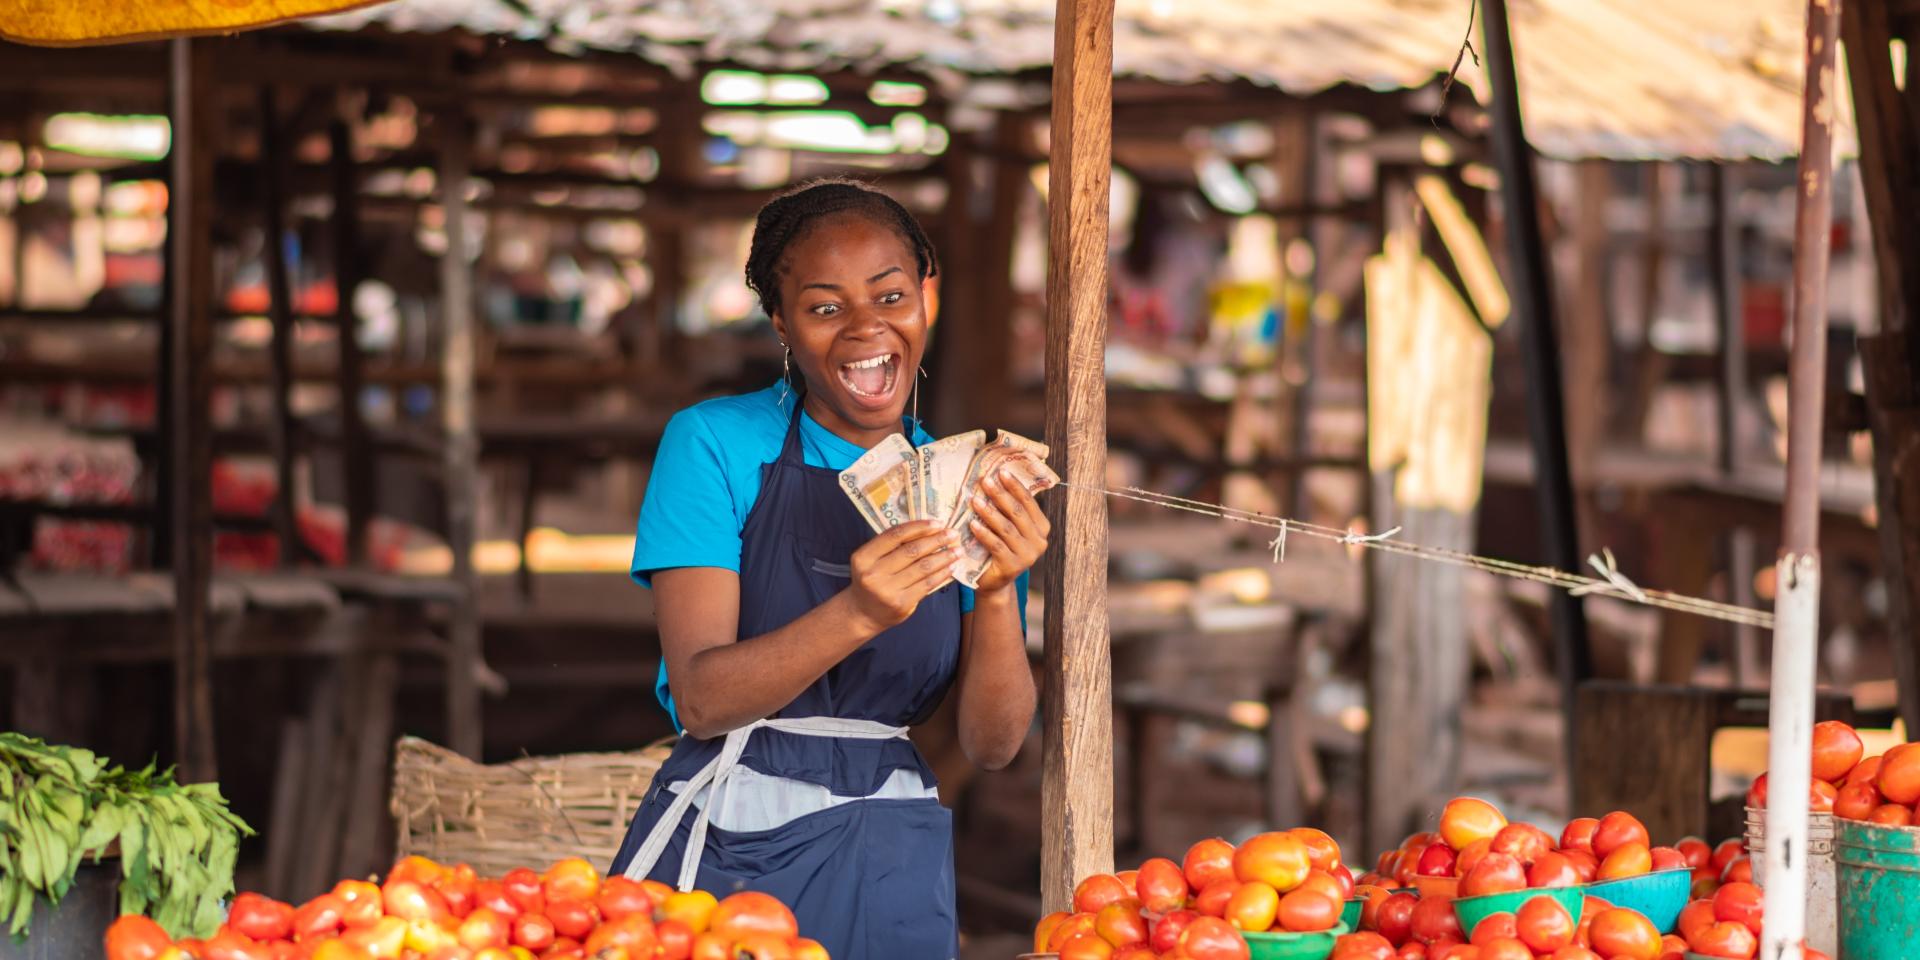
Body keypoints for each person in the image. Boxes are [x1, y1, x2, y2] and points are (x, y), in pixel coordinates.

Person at [608, 180, 1048, 959]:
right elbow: (703, 701)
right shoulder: (715, 443)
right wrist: (859, 614)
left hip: (894, 846)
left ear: (927, 300)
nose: (866, 329)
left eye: (891, 295)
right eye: (824, 307)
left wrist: (1000, 584)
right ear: (780, 321)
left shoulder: (957, 481)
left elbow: (993, 744)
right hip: (738, 837)